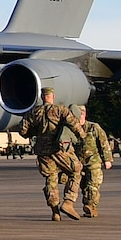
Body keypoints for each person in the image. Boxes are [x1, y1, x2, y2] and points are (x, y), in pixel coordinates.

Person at [20, 88, 83, 221]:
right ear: (52, 96)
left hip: (43, 151)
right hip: (59, 148)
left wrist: (34, 133)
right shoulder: (61, 110)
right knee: (76, 170)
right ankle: (69, 201)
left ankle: (55, 211)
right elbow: (73, 123)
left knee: (51, 178)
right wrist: (82, 135)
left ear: (42, 97)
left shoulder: (33, 112)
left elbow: (23, 130)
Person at [78, 104, 113, 218]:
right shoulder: (72, 128)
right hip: (79, 163)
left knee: (93, 185)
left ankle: (91, 206)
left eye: (81, 114)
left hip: (94, 161)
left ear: (84, 114)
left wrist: (107, 159)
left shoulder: (94, 127)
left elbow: (103, 143)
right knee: (84, 186)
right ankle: (89, 205)